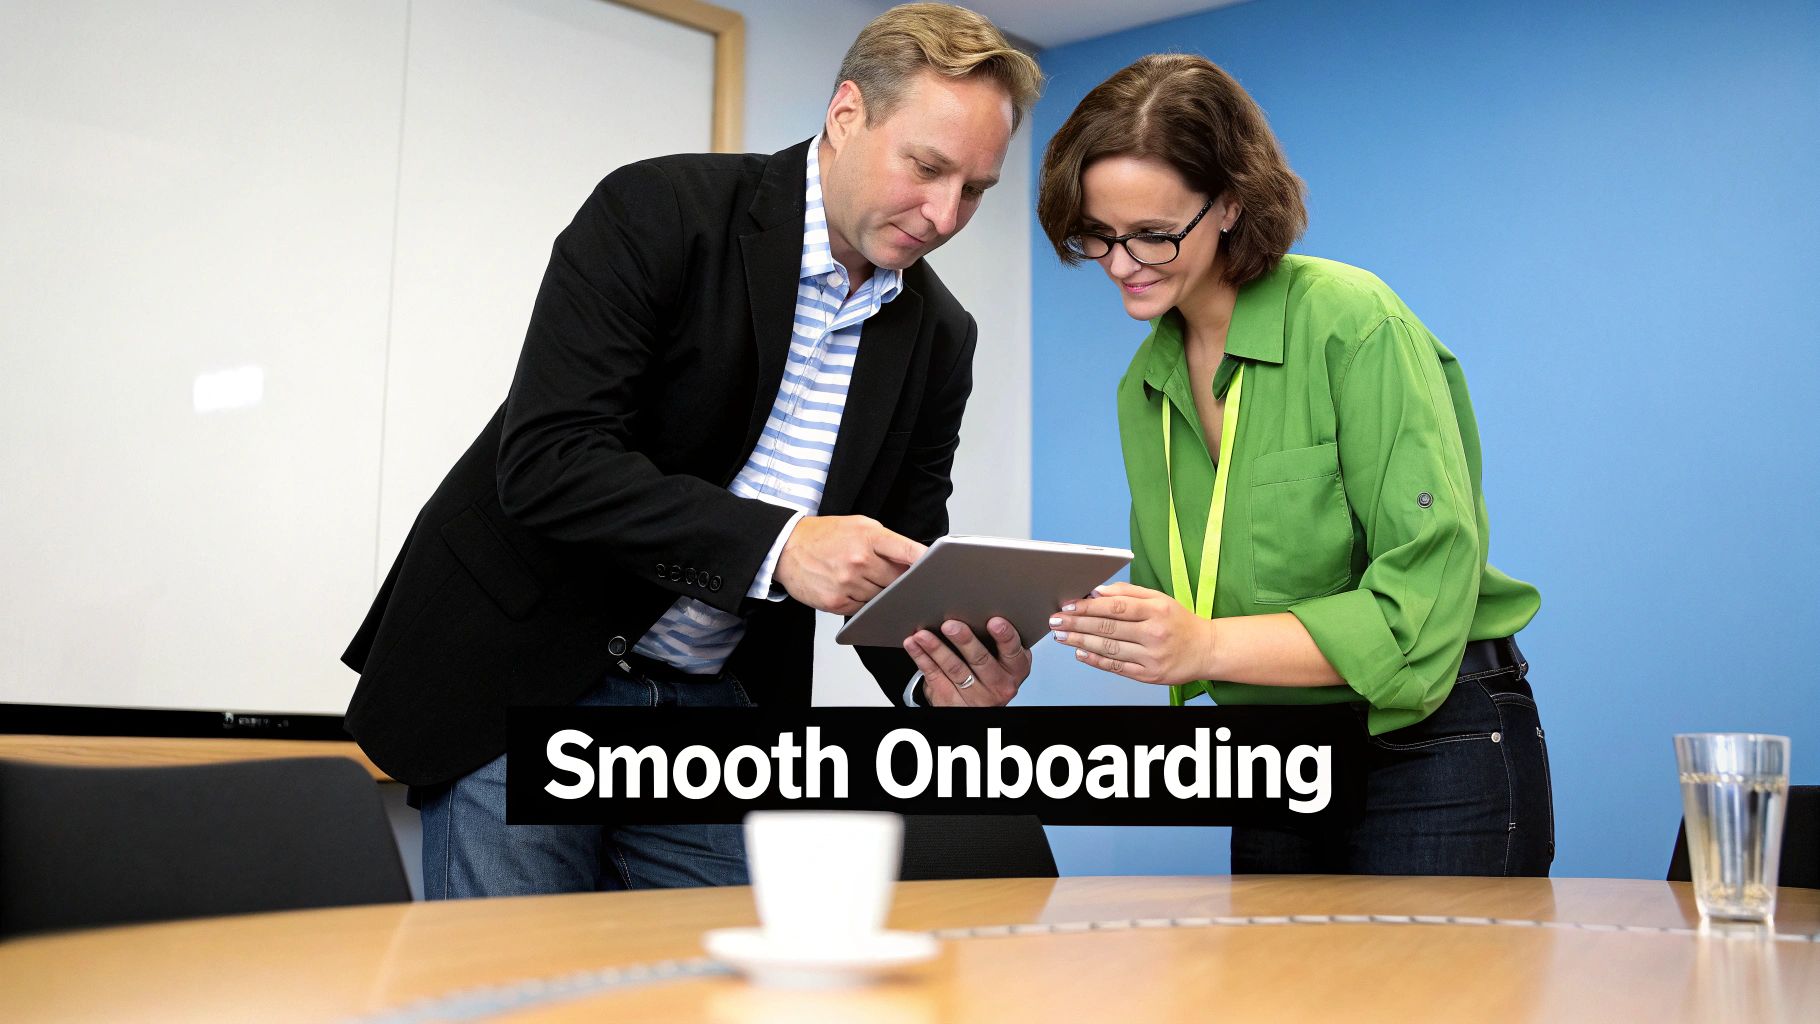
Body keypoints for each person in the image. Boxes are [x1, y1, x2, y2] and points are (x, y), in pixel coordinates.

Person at [341, 3, 1043, 899]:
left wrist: (937, 677)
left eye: (975, 189)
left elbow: (898, 548)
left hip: (716, 705)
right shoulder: (658, 210)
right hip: (531, 669)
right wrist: (783, 547)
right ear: (846, 114)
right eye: (928, 167)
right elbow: (552, 461)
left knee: (735, 968)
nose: (945, 214)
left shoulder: (942, 335)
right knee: (524, 973)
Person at [1035, 54, 1551, 876]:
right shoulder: (1146, 385)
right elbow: (1192, 602)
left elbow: (1419, 609)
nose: (1121, 264)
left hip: (1431, 741)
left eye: (1154, 234)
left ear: (1231, 202)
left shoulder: (1352, 322)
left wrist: (1202, 646)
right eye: (1097, 234)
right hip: (1277, 751)